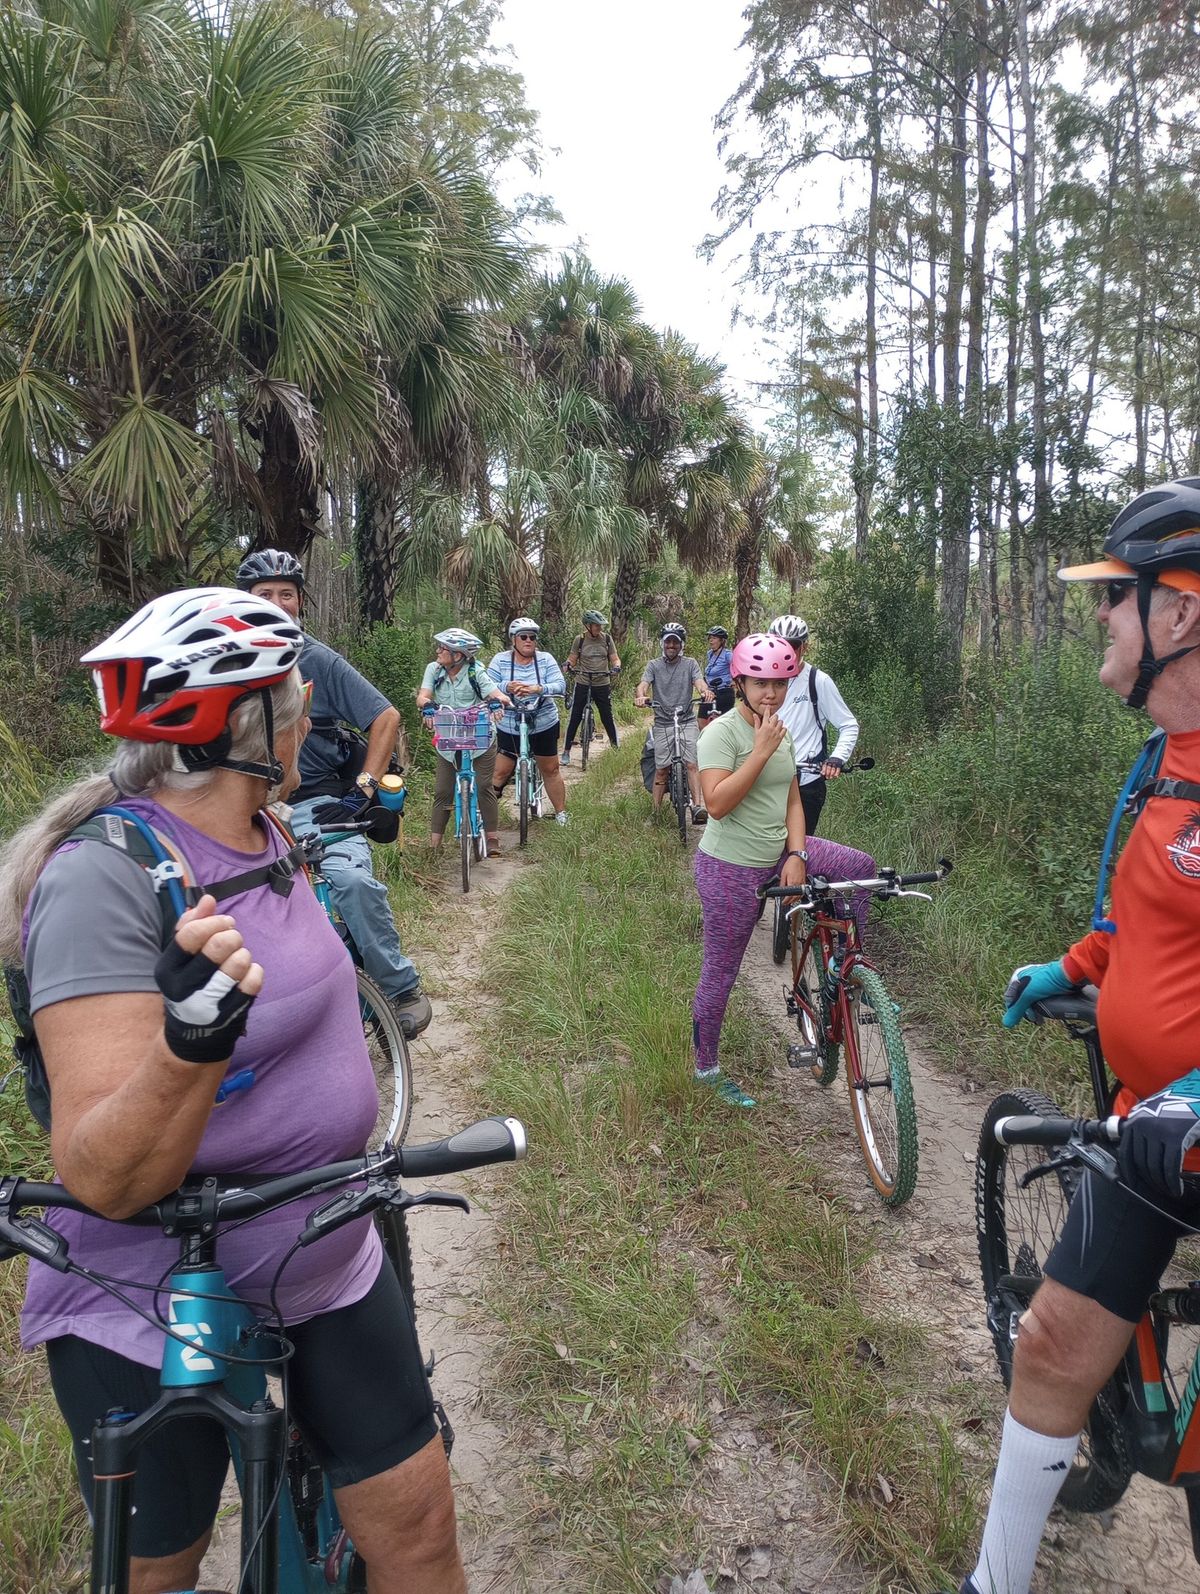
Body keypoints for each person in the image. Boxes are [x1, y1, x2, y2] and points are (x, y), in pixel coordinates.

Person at [0, 588, 466, 1594]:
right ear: (245, 729)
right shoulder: (103, 880)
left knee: (420, 1524)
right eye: (293, 696)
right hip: (159, 1298)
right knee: (154, 1572)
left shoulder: (271, 831)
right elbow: (105, 1174)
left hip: (330, 1249)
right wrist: (189, 1042)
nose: (309, 710)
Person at [961, 479, 1200, 1594]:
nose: (1099, 615)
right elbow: (1131, 919)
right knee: (1054, 1344)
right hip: (1143, 1140)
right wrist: (1076, 967)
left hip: (1183, 1128)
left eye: (1115, 594)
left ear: (1180, 614)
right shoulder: (1160, 760)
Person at [236, 549, 431, 1040]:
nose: (279, 604)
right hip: (249, 809)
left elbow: (385, 718)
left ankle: (400, 987)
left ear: (301, 603)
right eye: (266, 596)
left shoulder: (316, 659)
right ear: (245, 603)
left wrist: (364, 785)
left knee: (352, 885)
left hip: (319, 803)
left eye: (288, 595)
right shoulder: (229, 663)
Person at [693, 633, 876, 1111]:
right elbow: (716, 804)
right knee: (722, 971)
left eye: (778, 683)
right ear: (740, 682)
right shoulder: (722, 733)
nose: (770, 693)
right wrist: (758, 750)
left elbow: (793, 799)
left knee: (860, 868)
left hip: (778, 851)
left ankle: (845, 970)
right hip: (729, 867)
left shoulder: (782, 731)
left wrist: (796, 854)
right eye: (759, 683)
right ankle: (706, 1068)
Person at [415, 628, 510, 853]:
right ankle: (434, 846)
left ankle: (492, 838)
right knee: (442, 791)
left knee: (485, 785)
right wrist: (427, 706)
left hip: (480, 739)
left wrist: (497, 702)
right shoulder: (434, 670)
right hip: (448, 738)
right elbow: (423, 695)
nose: (438, 651)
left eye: (443, 648)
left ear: (458, 655)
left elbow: (498, 695)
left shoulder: (475, 672)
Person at [768, 613, 859, 836]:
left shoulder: (817, 681)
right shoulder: (763, 680)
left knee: (798, 849)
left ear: (804, 648)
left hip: (805, 781)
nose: (786, 651)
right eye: (779, 645)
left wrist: (836, 758)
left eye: (793, 645)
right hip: (768, 778)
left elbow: (848, 725)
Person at [488, 618, 570, 825]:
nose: (528, 641)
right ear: (513, 640)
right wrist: (508, 687)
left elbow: (560, 685)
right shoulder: (500, 659)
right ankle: (484, 819)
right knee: (500, 771)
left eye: (532, 637)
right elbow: (487, 684)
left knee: (550, 769)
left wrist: (539, 689)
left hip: (543, 720)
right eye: (523, 637)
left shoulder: (546, 659)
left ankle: (561, 815)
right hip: (509, 722)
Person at [635, 623, 714, 824]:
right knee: (661, 768)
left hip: (686, 720)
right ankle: (656, 813)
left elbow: (699, 682)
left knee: (691, 764)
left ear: (681, 645)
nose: (671, 645)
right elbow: (643, 685)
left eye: (675, 642)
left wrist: (704, 691)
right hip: (662, 721)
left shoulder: (690, 664)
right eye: (668, 641)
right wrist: (642, 696)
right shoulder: (653, 665)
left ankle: (697, 807)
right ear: (663, 643)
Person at [561, 610, 621, 763]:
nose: (599, 628)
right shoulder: (579, 640)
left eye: (600, 625)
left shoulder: (607, 639)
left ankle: (615, 747)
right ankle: (566, 751)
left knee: (607, 716)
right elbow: (573, 658)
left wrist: (616, 667)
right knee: (575, 716)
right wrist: (568, 664)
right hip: (583, 681)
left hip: (602, 682)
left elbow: (614, 658)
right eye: (596, 625)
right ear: (588, 626)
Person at [698, 625, 734, 732]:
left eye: (714, 638)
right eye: (710, 638)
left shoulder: (728, 655)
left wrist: (734, 681)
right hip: (710, 691)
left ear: (721, 641)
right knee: (702, 719)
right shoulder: (710, 654)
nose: (711, 641)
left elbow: (738, 667)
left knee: (724, 723)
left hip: (724, 691)